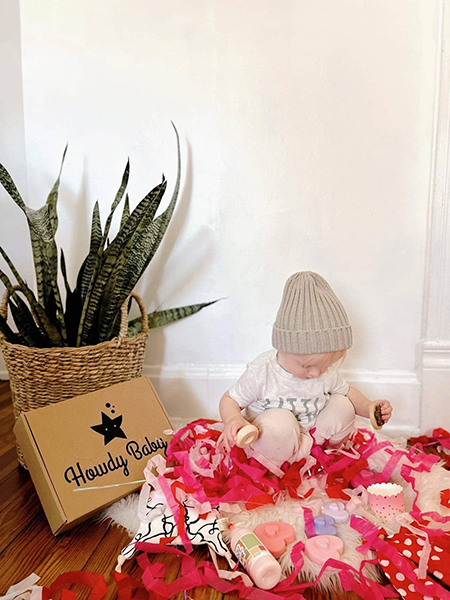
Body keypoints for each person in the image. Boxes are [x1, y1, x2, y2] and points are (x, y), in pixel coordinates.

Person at [218, 271, 393, 469]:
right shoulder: (263, 372)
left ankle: (324, 457)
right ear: (283, 348)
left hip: (313, 439)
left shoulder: (323, 372)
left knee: (343, 404)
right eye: (307, 366)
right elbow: (230, 399)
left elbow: (348, 392)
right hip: (274, 445)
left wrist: (370, 407)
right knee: (279, 422)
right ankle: (279, 466)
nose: (316, 373)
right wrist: (233, 419)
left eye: (325, 365)